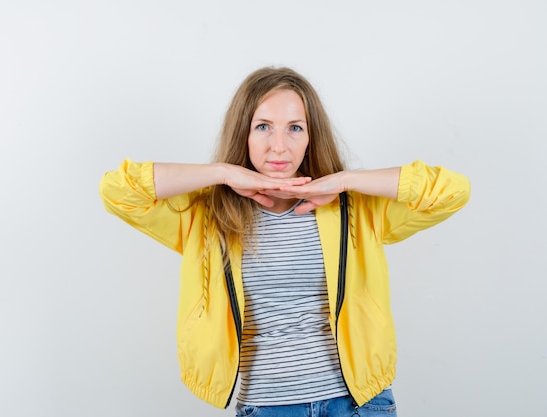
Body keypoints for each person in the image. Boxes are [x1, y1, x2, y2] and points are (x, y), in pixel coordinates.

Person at [99, 67, 470, 417]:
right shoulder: (208, 217)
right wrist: (223, 173)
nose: (279, 146)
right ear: (242, 132)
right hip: (265, 405)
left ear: (311, 136)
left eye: (295, 127)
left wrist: (343, 181)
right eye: (263, 126)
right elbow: (118, 190)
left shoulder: (354, 210)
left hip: (357, 403)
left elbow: (452, 191)